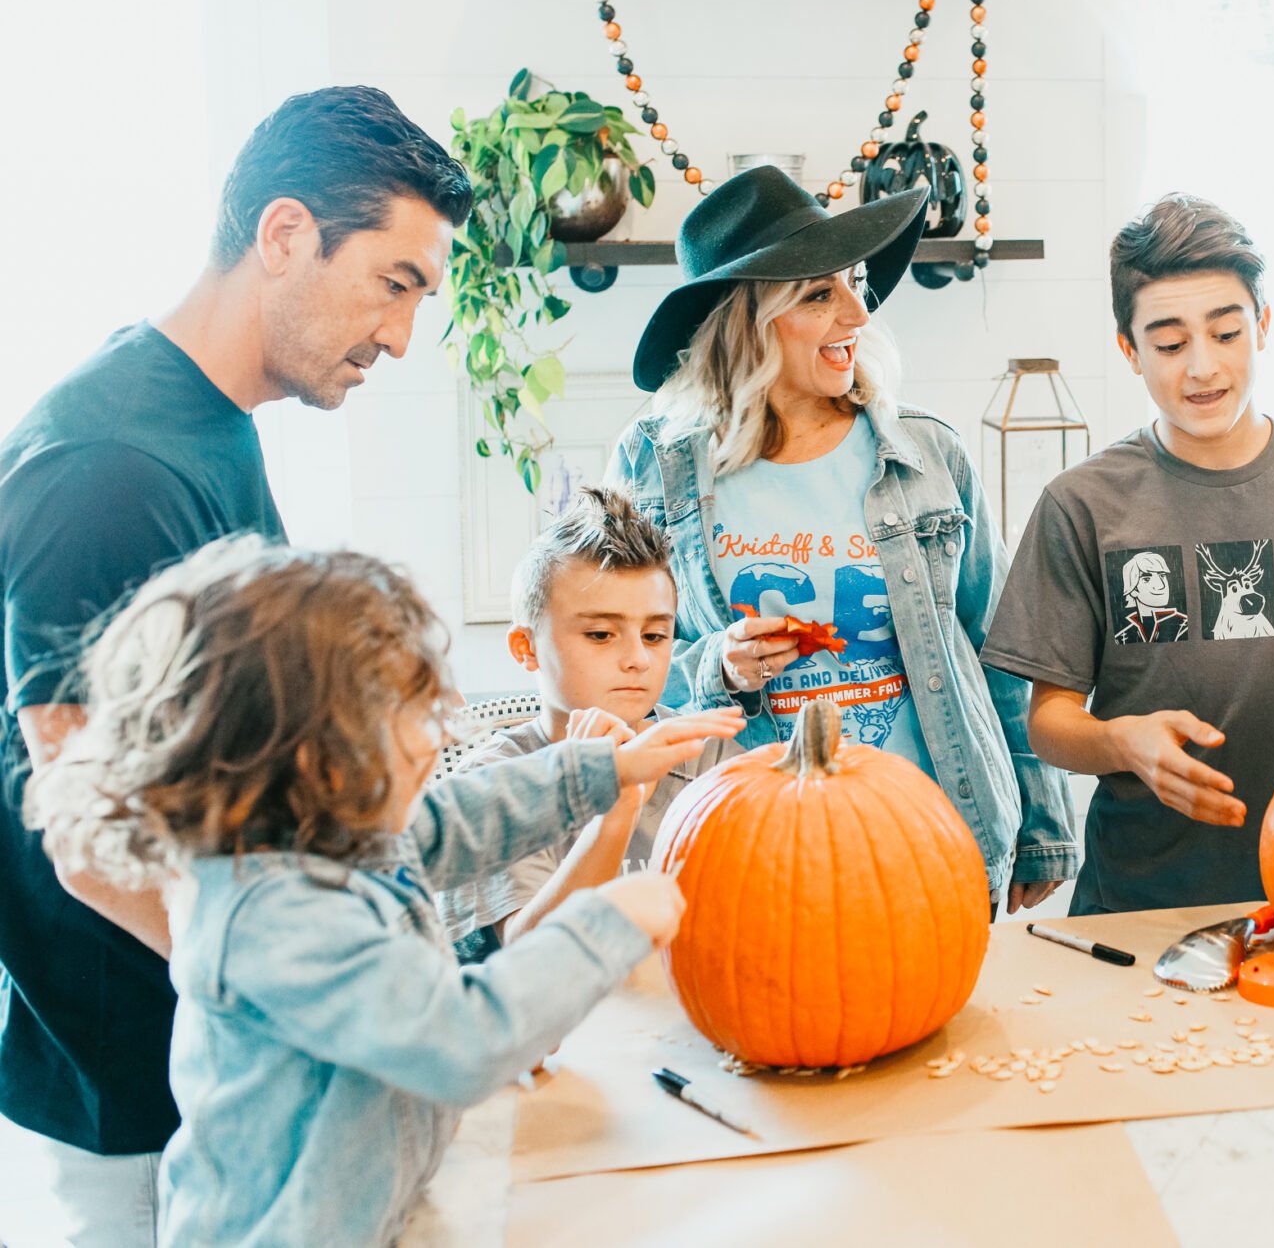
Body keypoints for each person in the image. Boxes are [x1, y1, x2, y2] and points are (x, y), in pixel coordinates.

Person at [0, 85, 471, 1244]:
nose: (402, 336)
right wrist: (310, 995)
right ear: (284, 236)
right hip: (142, 1091)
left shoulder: (210, 419)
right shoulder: (110, 466)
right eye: (394, 283)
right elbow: (80, 834)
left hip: (204, 1058)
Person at [25, 537, 725, 1246]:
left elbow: (452, 821)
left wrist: (605, 768)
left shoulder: (324, 834)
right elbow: (459, 1041)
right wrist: (606, 922)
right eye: (415, 717)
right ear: (317, 751)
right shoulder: (274, 913)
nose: (437, 738)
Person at [608, 165, 1075, 916]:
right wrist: (717, 667)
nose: (859, 312)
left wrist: (1045, 823)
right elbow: (620, 660)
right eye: (820, 295)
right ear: (747, 321)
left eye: (854, 282)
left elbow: (999, 647)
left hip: (936, 830)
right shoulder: (655, 464)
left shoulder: (928, 454)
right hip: (755, 851)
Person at [982, 194, 1274, 915]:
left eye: (1227, 333)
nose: (1202, 367)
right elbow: (1049, 720)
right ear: (1129, 350)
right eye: (1168, 344)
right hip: (1139, 900)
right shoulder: (1083, 503)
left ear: (1263, 326)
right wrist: (1123, 741)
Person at [436, 486, 744, 958]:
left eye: (656, 634)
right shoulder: (492, 786)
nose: (638, 659)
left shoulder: (712, 758)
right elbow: (532, 963)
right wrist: (614, 809)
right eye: (601, 634)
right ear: (526, 647)